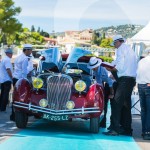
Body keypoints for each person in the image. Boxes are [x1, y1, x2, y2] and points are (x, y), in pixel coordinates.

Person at [103, 35, 137, 136]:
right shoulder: (129, 49)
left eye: (114, 43)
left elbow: (120, 66)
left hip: (124, 80)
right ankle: (127, 129)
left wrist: (111, 69)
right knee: (126, 105)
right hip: (130, 80)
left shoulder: (121, 49)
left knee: (116, 104)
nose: (114, 46)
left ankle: (115, 129)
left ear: (118, 42)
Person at [10, 44, 33, 120]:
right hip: (20, 79)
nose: (31, 52)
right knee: (21, 98)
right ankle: (18, 115)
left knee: (15, 97)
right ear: (26, 50)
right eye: (30, 50)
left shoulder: (18, 57)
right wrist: (26, 82)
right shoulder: (25, 59)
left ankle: (13, 115)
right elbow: (24, 72)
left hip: (15, 78)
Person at [136, 48, 150, 140]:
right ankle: (147, 132)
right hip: (148, 85)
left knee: (144, 110)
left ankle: (144, 131)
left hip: (140, 85)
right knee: (149, 110)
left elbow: (138, 73)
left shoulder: (141, 61)